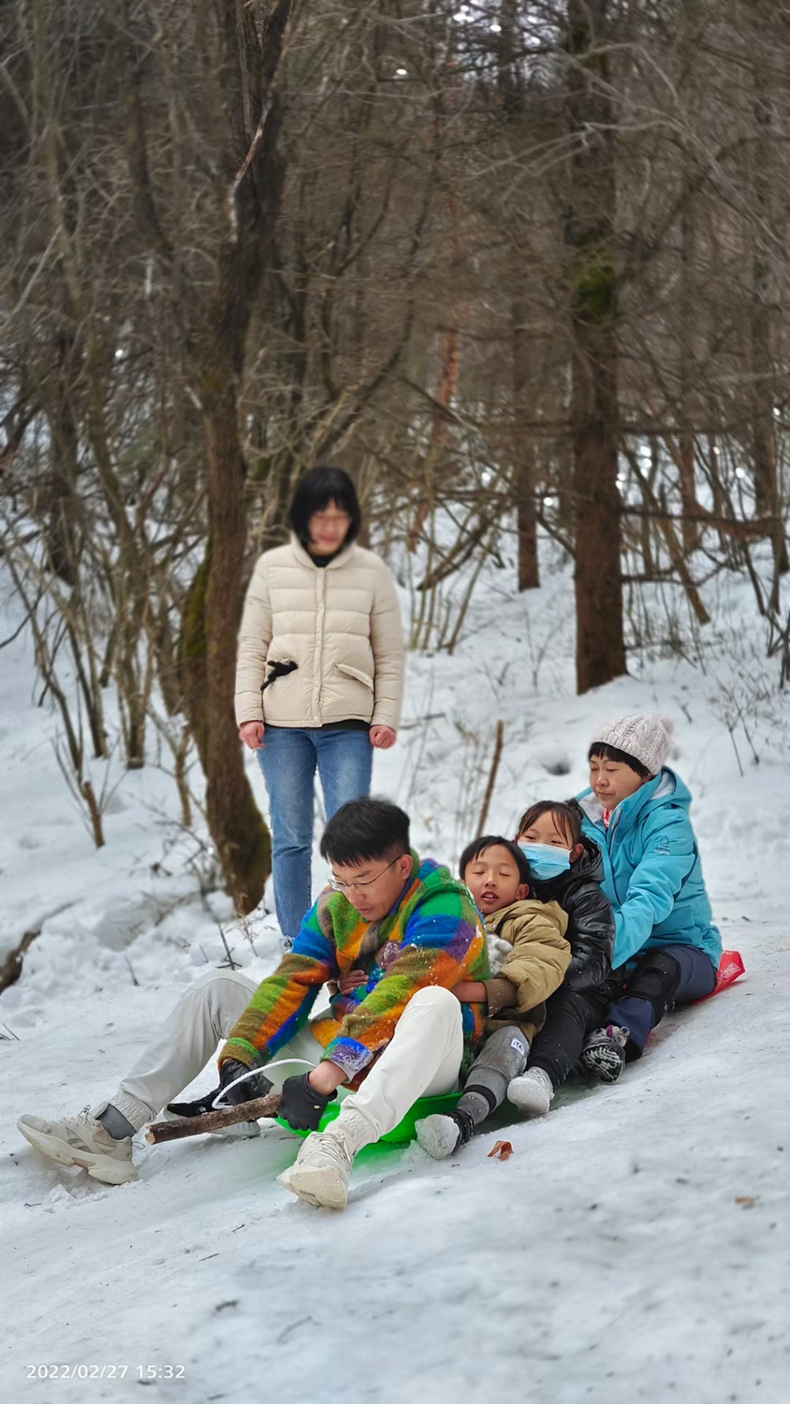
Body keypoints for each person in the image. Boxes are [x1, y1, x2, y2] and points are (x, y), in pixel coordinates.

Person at [18, 799, 489, 1208]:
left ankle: (335, 1150)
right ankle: (112, 1128)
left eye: (364, 880)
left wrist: (327, 1074)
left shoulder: (447, 907)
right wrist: (239, 1060)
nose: (354, 895)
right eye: (342, 880)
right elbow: (292, 977)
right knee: (217, 987)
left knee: (432, 1001)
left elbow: (397, 993)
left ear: (403, 866)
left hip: (416, 1078)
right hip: (328, 1071)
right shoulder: (338, 905)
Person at [236, 466, 404, 943]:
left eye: (339, 515)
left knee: (354, 839)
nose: (330, 525)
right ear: (303, 517)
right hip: (281, 723)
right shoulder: (272, 568)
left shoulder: (370, 572)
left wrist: (384, 715)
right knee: (290, 837)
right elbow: (252, 644)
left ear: (351, 518)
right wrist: (249, 711)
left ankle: (354, 938)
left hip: (349, 726)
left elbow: (388, 651)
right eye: (320, 515)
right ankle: (297, 943)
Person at [574, 715, 721, 1079]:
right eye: (593, 768)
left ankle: (616, 1037)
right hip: (617, 949)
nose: (599, 780)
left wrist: (602, 955)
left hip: (683, 950)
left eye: (612, 768)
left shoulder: (668, 825)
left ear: (644, 773)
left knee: (659, 968)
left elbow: (648, 900)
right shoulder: (582, 818)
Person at [415, 836, 570, 1160]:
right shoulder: (444, 920)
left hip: (501, 1023)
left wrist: (477, 991)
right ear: (462, 882)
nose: (490, 880)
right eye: (480, 872)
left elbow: (540, 964)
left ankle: (462, 1120)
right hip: (448, 1024)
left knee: (509, 1041)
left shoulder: (531, 919)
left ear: (521, 890)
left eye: (503, 874)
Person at [495, 799, 615, 1117]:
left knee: (564, 1006)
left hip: (577, 989)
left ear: (573, 852)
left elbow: (595, 961)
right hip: (515, 981)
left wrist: (542, 977)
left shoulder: (586, 896)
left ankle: (542, 1076)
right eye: (531, 838)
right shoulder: (503, 882)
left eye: (554, 842)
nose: (539, 847)